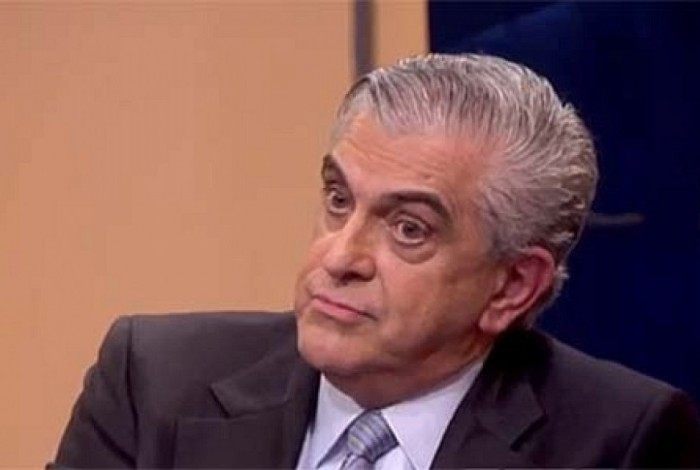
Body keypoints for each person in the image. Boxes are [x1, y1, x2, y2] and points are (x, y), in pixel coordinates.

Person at [51, 54, 700, 468]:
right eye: (339, 200)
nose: (338, 257)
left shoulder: (619, 441)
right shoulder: (152, 381)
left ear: (510, 286)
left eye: (409, 228)